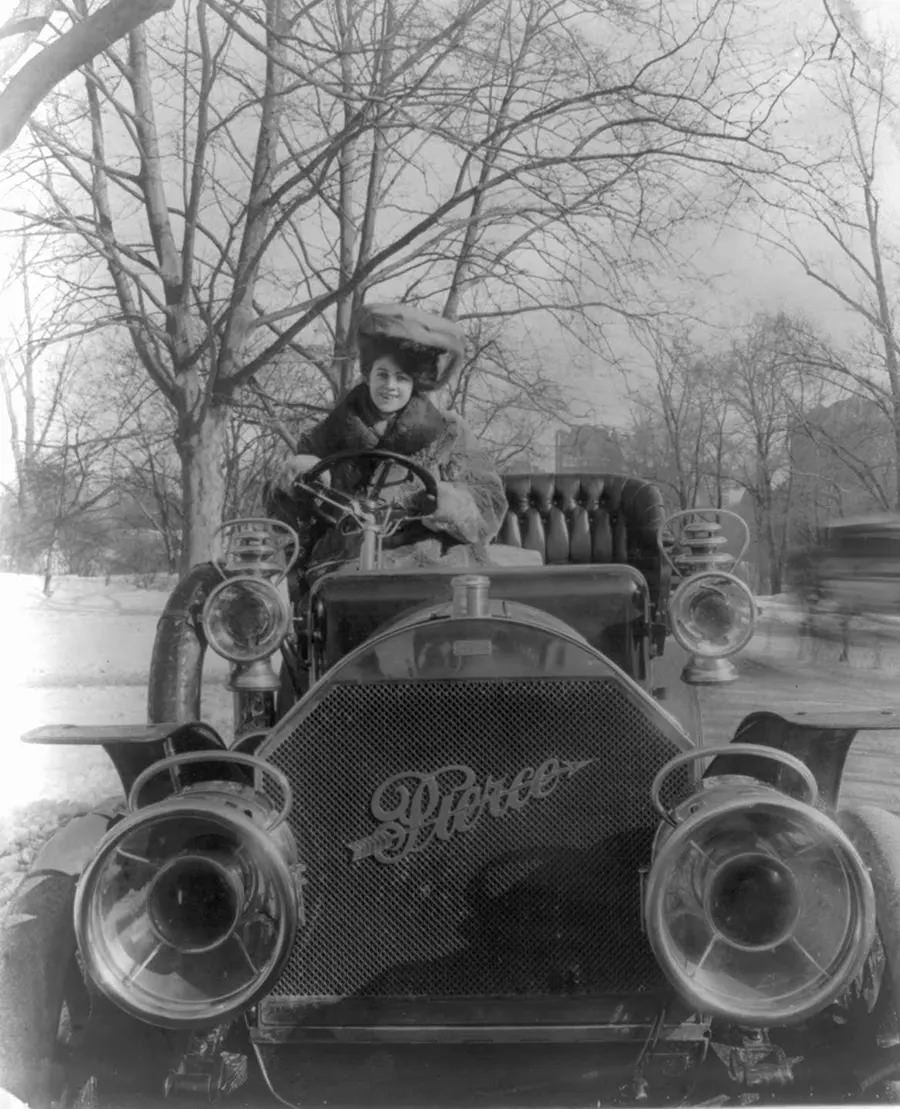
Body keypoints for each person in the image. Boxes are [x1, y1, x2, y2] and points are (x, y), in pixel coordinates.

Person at [266, 302, 523, 577]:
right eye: (382, 375)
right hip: (343, 566)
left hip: (431, 566)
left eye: (401, 378)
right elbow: (288, 529)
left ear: (414, 384)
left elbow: (490, 504)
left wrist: (449, 504)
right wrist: (292, 486)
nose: (390, 386)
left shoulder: (449, 431)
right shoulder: (322, 438)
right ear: (367, 376)